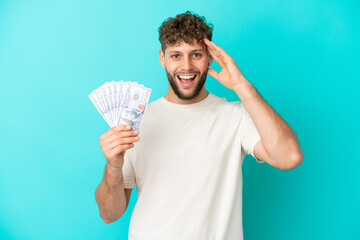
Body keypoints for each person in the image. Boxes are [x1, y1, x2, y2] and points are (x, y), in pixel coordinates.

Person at [95, 11, 303, 240]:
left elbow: (289, 156)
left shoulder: (235, 116)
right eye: (176, 56)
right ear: (162, 58)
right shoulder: (136, 122)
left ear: (210, 57)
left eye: (196, 54)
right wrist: (113, 166)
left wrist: (240, 85)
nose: (186, 66)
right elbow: (109, 213)